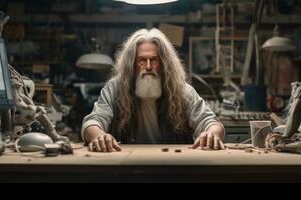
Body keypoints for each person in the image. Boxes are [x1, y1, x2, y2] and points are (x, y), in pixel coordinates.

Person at [81, 28, 225, 152]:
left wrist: (212, 134)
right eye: (142, 60)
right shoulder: (115, 88)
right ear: (132, 64)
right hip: (126, 168)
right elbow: (93, 121)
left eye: (154, 60)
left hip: (174, 165)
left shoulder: (181, 90)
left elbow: (211, 122)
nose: (148, 66)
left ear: (164, 63)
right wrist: (98, 135)